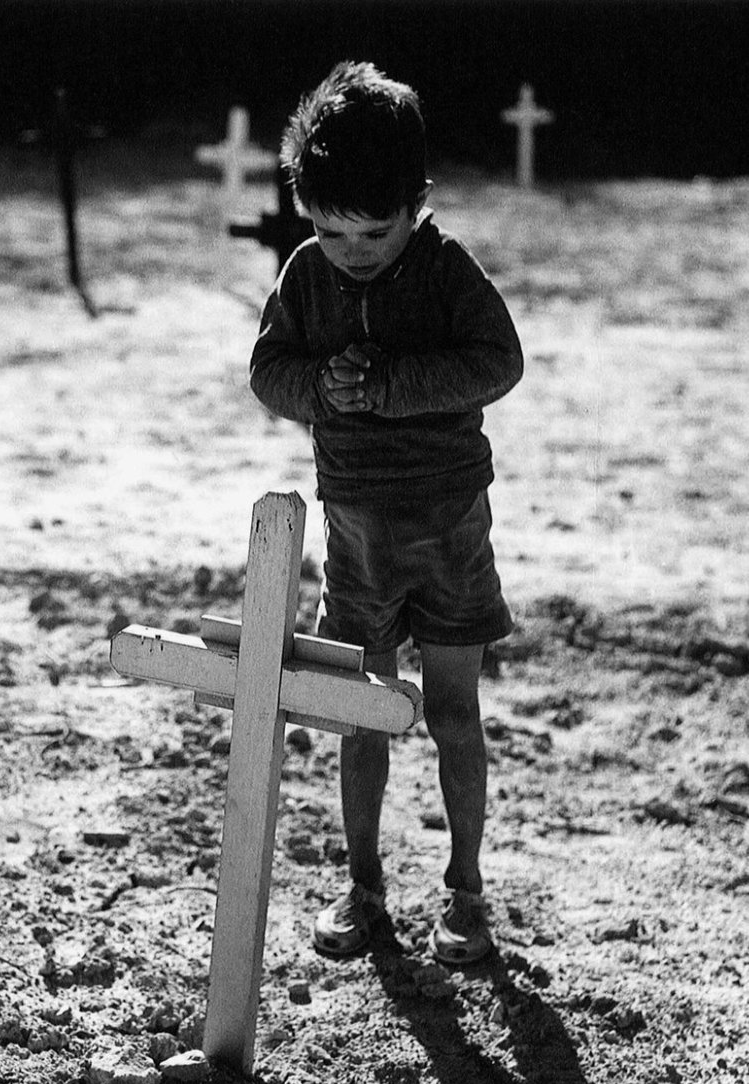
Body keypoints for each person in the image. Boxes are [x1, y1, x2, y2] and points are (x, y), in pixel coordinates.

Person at [249, 62, 524, 965]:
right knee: (360, 710)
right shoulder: (304, 275)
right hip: (355, 534)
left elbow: (498, 362)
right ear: (305, 211)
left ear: (416, 205)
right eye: (330, 231)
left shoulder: (445, 272)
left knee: (451, 712)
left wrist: (398, 385)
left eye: (375, 230)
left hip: (449, 528)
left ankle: (466, 894)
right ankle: (363, 888)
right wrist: (319, 391)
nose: (353, 250)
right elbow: (267, 370)